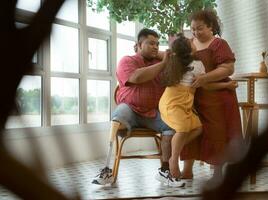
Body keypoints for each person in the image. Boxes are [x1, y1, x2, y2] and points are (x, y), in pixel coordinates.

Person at [92, 28, 184, 187]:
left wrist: (164, 57)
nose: (155, 47)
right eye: (150, 43)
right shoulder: (127, 61)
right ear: (138, 46)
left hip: (153, 114)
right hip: (131, 110)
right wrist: (164, 62)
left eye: (157, 44)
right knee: (118, 115)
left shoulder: (159, 63)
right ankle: (106, 170)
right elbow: (137, 77)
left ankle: (164, 170)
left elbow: (179, 59)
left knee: (173, 126)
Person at [158, 35, 238, 179]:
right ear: (188, 51)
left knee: (197, 127)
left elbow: (204, 83)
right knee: (183, 129)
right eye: (190, 42)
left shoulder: (183, 62)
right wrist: (226, 84)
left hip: (184, 103)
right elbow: (206, 85)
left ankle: (175, 146)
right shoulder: (195, 65)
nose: (193, 40)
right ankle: (173, 159)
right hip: (172, 102)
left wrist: (226, 84)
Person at [180, 9, 243, 183]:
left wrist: (204, 78)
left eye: (199, 28)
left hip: (218, 97)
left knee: (217, 134)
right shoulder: (189, 44)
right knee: (189, 129)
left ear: (211, 27)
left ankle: (217, 172)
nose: (195, 32)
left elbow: (228, 68)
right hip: (192, 97)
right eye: (192, 29)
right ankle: (186, 170)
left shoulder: (219, 44)